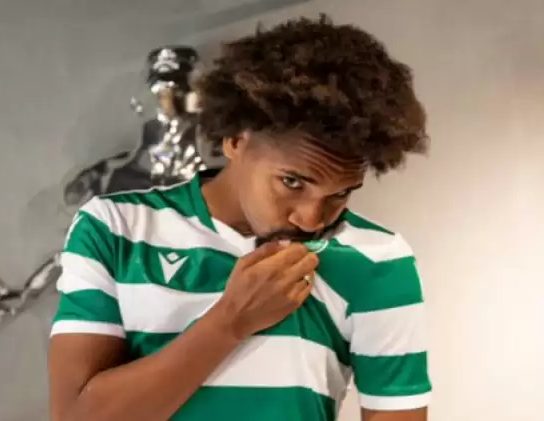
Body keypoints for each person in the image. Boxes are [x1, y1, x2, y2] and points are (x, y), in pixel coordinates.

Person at [48, 14, 431, 421]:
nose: (311, 220)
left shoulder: (378, 259)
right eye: (292, 182)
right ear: (235, 140)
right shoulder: (113, 227)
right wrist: (230, 323)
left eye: (340, 193)